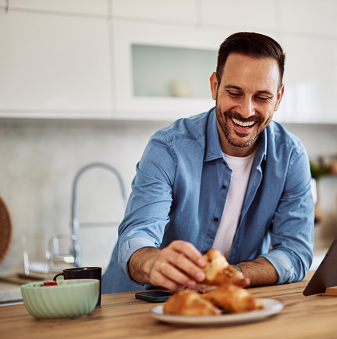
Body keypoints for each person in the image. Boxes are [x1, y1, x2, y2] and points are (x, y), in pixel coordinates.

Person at [102, 32, 314, 294]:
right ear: (215, 86)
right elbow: (136, 236)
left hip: (220, 303)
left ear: (279, 98)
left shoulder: (291, 157)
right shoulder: (168, 148)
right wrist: (153, 261)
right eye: (234, 93)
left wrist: (232, 274)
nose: (246, 111)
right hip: (134, 304)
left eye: (262, 98)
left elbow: (295, 252)